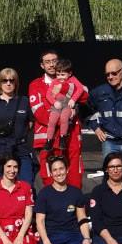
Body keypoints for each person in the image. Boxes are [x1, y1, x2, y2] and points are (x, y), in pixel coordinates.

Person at [29, 50, 85, 188]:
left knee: (74, 176)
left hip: (71, 137)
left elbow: (84, 96)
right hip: (48, 139)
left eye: (54, 61)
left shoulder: (71, 80)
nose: (52, 65)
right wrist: (66, 118)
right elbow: (39, 113)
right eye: (47, 62)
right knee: (50, 178)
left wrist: (73, 102)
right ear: (42, 65)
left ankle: (75, 200)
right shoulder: (36, 85)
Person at [0, 67, 34, 184]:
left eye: (11, 80)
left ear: (16, 83)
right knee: (0, 186)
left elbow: (30, 124)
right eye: (4, 80)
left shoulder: (24, 101)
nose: (8, 83)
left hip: (21, 150)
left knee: (26, 185)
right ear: (0, 83)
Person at [44, 57, 87, 150]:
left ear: (69, 73)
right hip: (57, 105)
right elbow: (48, 94)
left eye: (63, 74)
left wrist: (73, 100)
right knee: (52, 121)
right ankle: (49, 140)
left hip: (67, 105)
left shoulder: (73, 79)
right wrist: (54, 102)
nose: (60, 77)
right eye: (58, 74)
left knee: (64, 118)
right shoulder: (55, 81)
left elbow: (80, 89)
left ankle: (63, 138)